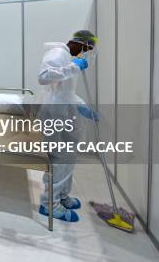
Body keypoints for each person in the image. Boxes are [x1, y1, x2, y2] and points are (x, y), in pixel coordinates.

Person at [36, 30, 98, 222]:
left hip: (63, 111)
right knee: (59, 159)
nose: (84, 54)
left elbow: (66, 92)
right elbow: (44, 77)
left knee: (68, 157)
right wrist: (73, 67)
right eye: (86, 50)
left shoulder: (68, 58)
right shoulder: (57, 54)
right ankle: (49, 204)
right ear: (79, 43)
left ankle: (62, 195)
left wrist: (82, 106)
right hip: (53, 114)